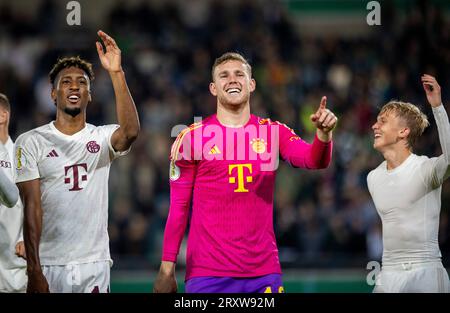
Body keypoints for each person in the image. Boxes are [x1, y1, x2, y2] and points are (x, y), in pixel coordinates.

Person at [154, 52, 337, 293]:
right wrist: (167, 268)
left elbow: (314, 160)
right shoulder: (190, 138)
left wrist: (324, 135)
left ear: (251, 84)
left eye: (239, 74)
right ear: (213, 88)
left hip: (263, 274)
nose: (232, 80)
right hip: (208, 274)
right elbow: (179, 207)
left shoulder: (274, 133)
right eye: (224, 75)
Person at [15, 30, 140, 293]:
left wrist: (116, 73)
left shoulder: (101, 136)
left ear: (89, 95)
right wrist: (34, 270)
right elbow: (32, 207)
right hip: (49, 262)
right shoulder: (30, 141)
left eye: (82, 83)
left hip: (93, 263)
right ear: (53, 94)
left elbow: (129, 132)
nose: (74, 86)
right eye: (66, 82)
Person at [367, 74, 450, 292]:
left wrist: (438, 108)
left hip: (426, 271)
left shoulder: (425, 170)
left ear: (404, 131)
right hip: (387, 273)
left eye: (383, 121)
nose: (375, 126)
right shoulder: (373, 178)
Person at [0, 93, 27, 293]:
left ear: (3, 116)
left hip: (16, 264)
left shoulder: (22, 154)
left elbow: (33, 201)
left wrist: (25, 237)